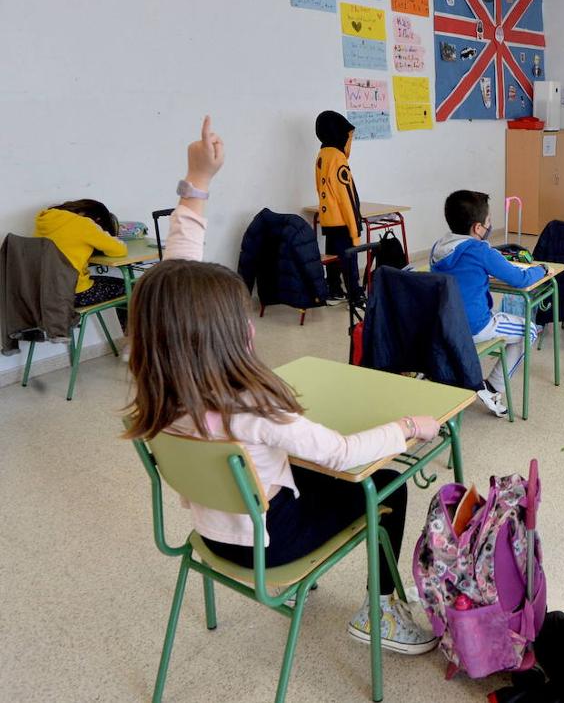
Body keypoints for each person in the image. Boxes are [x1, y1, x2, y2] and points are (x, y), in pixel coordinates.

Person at [124, 116, 442, 654]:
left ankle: (328, 587)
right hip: (270, 544)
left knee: (293, 467)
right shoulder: (252, 406)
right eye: (239, 318)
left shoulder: (156, 375)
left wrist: (196, 183)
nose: (249, 325)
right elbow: (342, 453)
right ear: (228, 336)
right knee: (387, 482)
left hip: (212, 537)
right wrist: (410, 426)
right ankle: (382, 612)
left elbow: (174, 276)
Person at [430, 190, 547, 418]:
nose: (490, 225)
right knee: (529, 330)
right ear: (477, 228)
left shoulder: (438, 247)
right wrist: (540, 269)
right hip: (475, 326)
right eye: (489, 221)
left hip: (443, 326)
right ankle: (493, 387)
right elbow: (519, 279)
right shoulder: (480, 250)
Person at [34, 198, 128, 313]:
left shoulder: (45, 220)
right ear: (97, 220)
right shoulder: (83, 224)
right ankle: (132, 331)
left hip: (46, 294)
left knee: (119, 282)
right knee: (133, 288)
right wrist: (107, 236)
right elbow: (119, 250)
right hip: (75, 293)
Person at [314, 111, 364, 305]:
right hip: (342, 219)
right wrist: (355, 230)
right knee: (349, 259)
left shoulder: (322, 154)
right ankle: (356, 296)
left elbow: (319, 187)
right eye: (348, 135)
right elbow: (347, 197)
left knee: (334, 257)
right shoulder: (338, 158)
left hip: (328, 218)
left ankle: (334, 289)